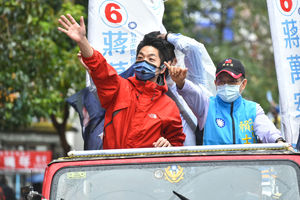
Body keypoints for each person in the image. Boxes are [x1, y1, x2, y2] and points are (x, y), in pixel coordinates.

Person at [58, 14, 185, 149]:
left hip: (147, 169)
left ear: (162, 68)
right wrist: (82, 40)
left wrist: (168, 145)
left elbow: (177, 144)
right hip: (112, 167)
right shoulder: (119, 88)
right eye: (140, 58)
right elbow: (101, 68)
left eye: (151, 59)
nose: (144, 62)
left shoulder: (169, 106)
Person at [168, 57, 285, 145]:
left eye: (232, 82)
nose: (226, 86)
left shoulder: (253, 109)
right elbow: (191, 93)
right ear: (215, 83)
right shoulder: (206, 105)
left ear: (243, 84)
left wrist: (278, 141)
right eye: (221, 82)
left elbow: (267, 131)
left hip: (247, 172)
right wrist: (181, 82)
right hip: (213, 173)